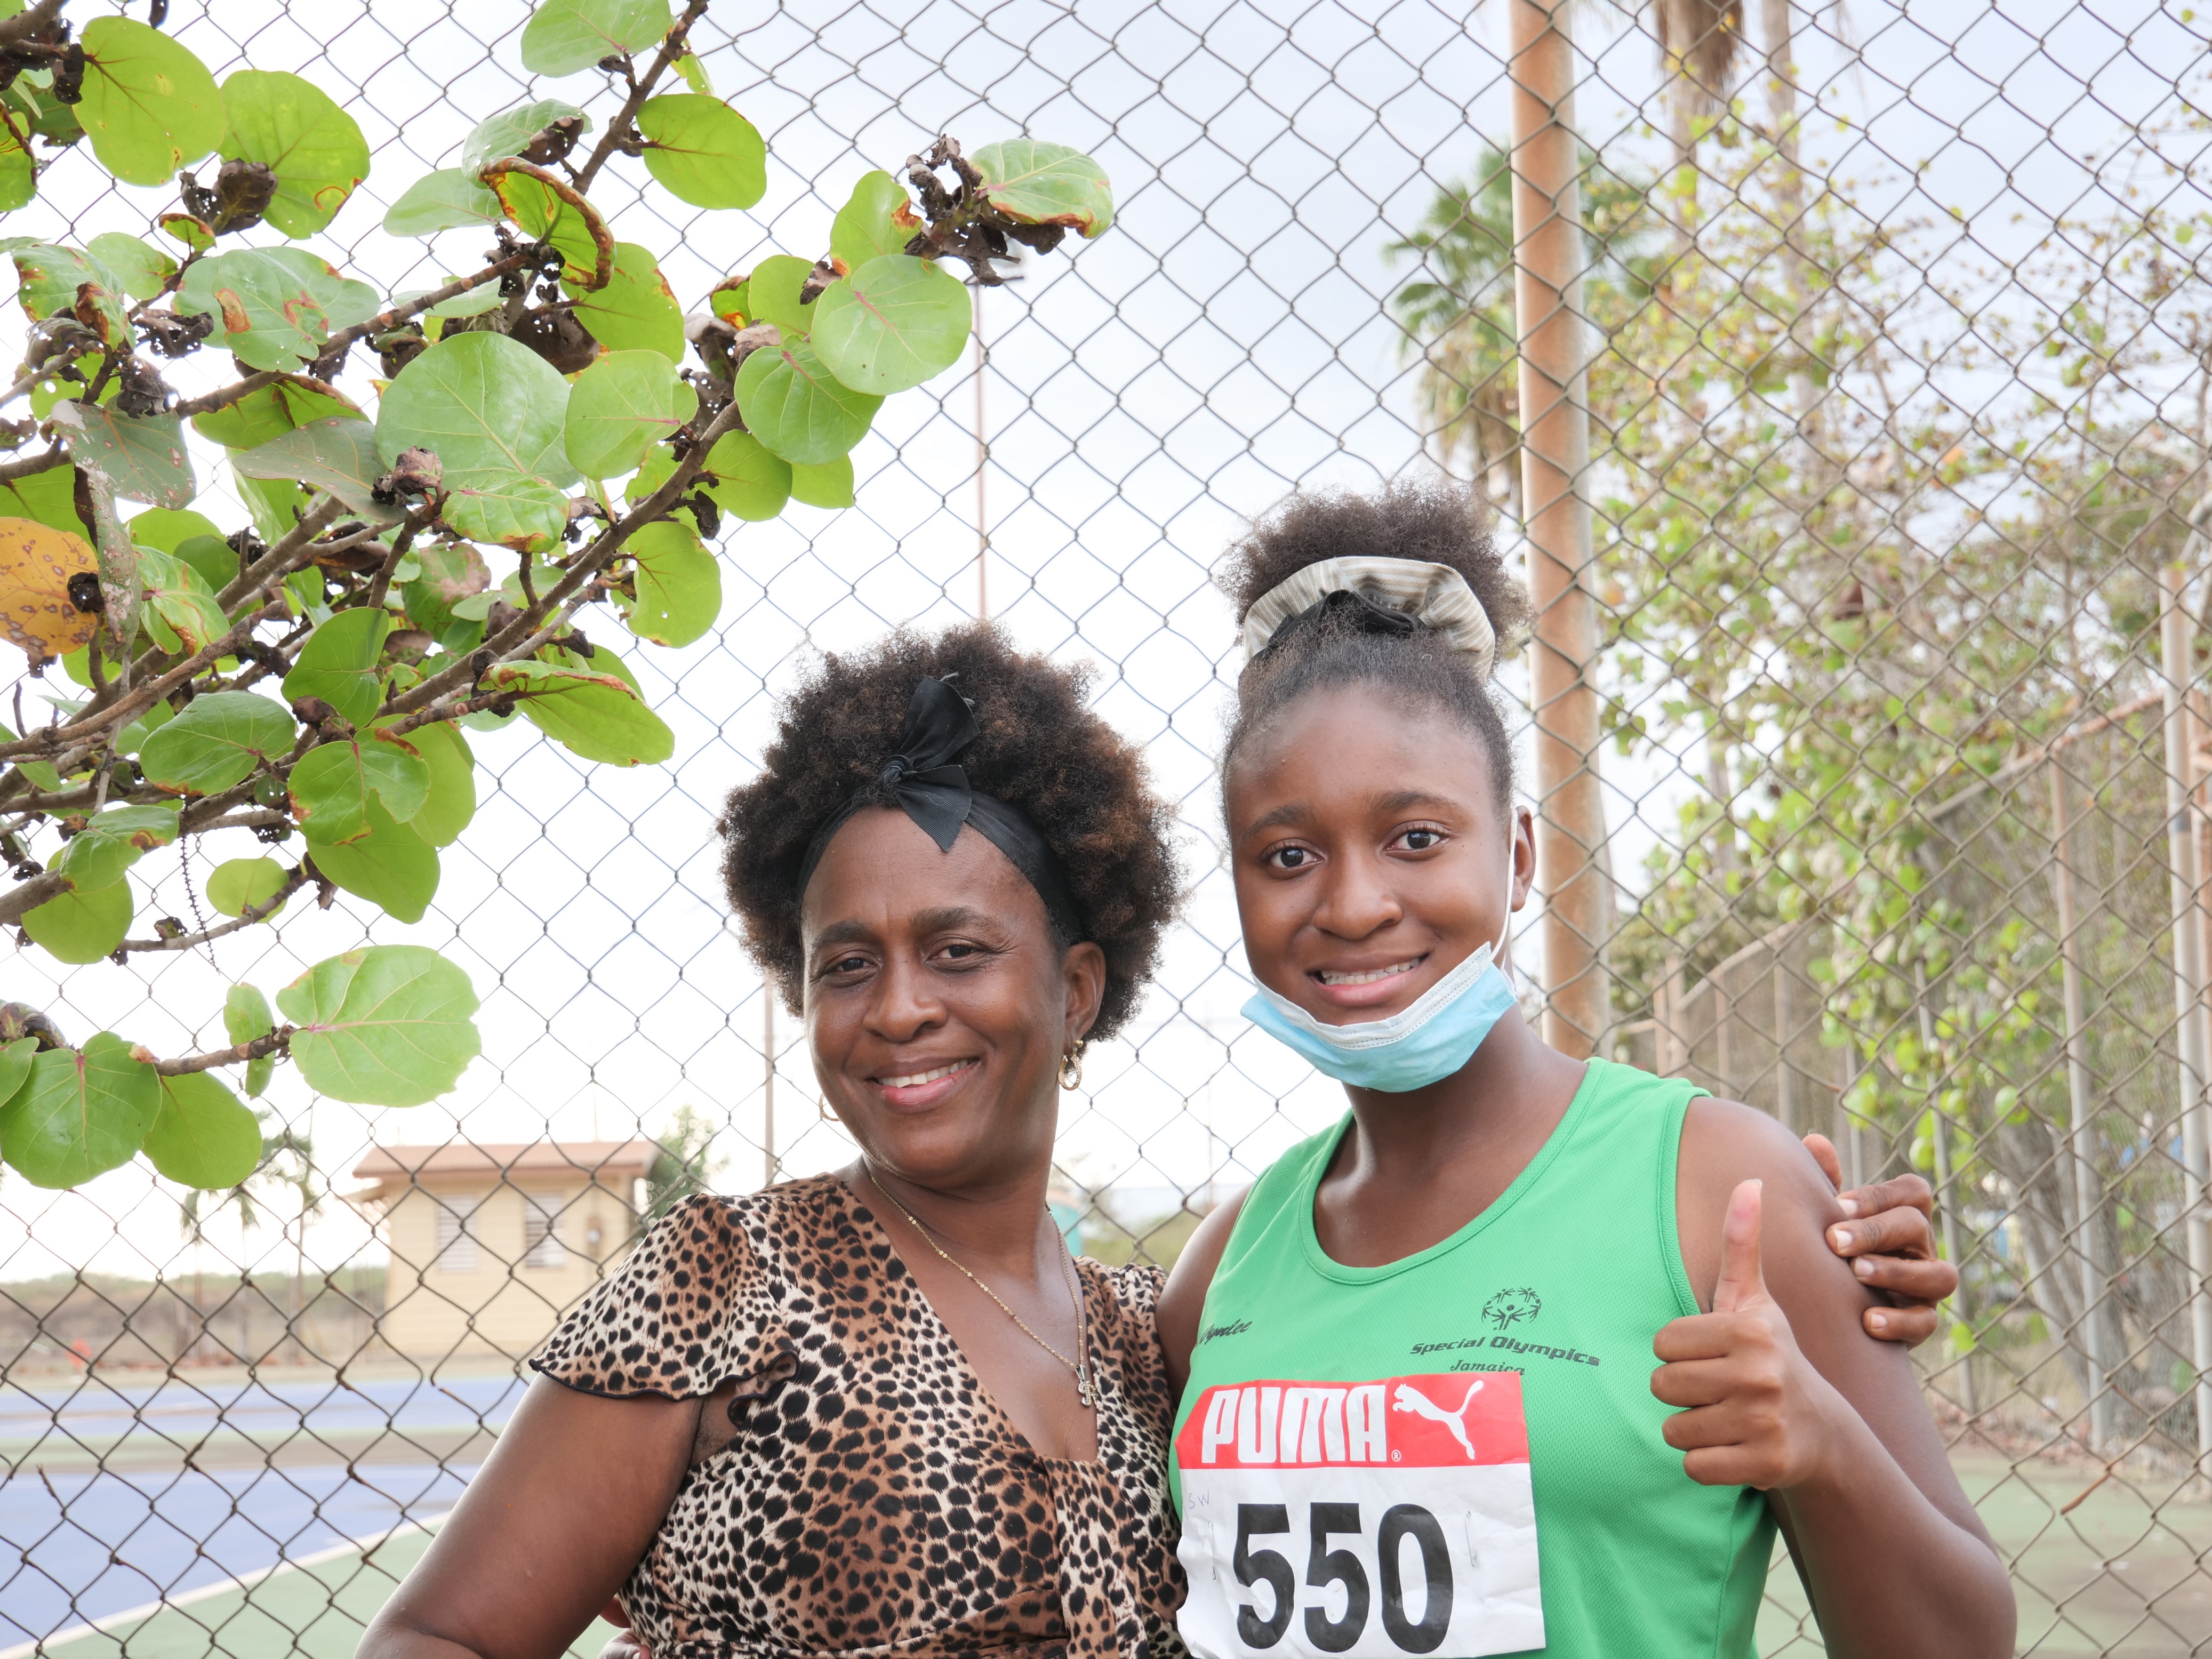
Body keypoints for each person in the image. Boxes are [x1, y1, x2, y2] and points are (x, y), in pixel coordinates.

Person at [357, 623, 1959, 1659]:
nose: (901, 1008)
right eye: (846, 964)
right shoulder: (759, 1275)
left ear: (1076, 983)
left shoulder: (1154, 1326)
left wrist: (1822, 1419)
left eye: (958, 951)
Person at [1153, 480, 2013, 1659]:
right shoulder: (1222, 1267)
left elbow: (1965, 1642)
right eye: (1288, 855)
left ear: (1516, 858)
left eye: (1416, 838)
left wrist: (1824, 1445)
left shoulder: (1717, 1188)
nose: (1353, 904)